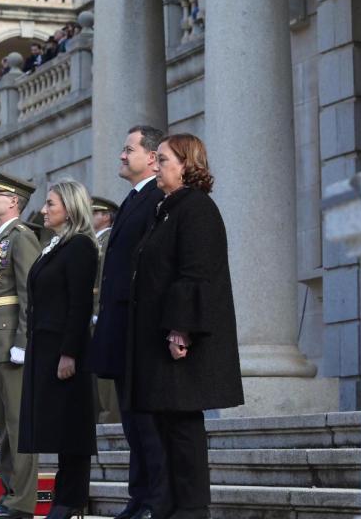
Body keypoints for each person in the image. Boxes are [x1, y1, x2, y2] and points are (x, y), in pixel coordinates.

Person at [129, 134, 243, 519]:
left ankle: (192, 508)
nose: (156, 165)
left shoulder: (196, 208)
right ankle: (167, 504)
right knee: (163, 423)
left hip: (179, 340)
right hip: (157, 339)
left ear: (186, 164)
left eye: (162, 159)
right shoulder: (168, 209)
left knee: (181, 427)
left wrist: (181, 327)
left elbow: (196, 272)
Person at [86, 125, 168, 519]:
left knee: (147, 421)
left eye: (128, 149)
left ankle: (154, 499)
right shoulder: (135, 198)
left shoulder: (156, 198)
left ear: (151, 158)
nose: (122, 156)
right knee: (132, 420)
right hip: (120, 324)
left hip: (140, 325)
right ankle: (139, 496)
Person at [19, 180, 98, 519]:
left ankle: (71, 499)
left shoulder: (80, 246)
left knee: (72, 428)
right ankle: (63, 497)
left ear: (69, 207)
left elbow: (79, 304)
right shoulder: (55, 245)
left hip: (65, 348)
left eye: (51, 204)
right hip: (44, 345)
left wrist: (70, 352)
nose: (44, 210)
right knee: (58, 427)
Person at [0, 170, 41, 519]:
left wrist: (23, 342)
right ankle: (10, 493)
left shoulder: (21, 237)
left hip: (10, 342)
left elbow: (31, 294)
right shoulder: (0, 239)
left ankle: (22, 501)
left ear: (13, 201)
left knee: (18, 425)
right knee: (3, 426)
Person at [89, 196, 120, 425]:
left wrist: (99, 308)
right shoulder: (93, 241)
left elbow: (105, 276)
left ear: (107, 216)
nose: (90, 217)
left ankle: (109, 417)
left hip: (100, 311)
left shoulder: (108, 239)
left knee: (104, 371)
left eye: (95, 213)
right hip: (89, 314)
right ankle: (98, 415)